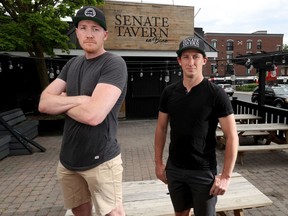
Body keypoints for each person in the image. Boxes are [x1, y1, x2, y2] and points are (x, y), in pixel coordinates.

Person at [38, 6, 127, 216]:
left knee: (113, 214)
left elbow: (93, 115)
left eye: (95, 29)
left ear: (105, 35)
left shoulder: (114, 64)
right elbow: (43, 103)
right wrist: (79, 100)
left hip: (102, 160)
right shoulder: (72, 64)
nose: (89, 34)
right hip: (68, 161)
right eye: (83, 28)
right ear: (76, 32)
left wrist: (61, 102)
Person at [154, 36, 239, 216]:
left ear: (204, 60)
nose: (190, 61)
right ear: (179, 60)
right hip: (175, 169)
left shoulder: (216, 94)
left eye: (195, 56)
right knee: (180, 213)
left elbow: (232, 136)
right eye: (186, 57)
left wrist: (225, 176)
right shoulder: (169, 92)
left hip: (203, 171)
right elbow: (161, 128)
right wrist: (159, 163)